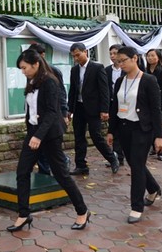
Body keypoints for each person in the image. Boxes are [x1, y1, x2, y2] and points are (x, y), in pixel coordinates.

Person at [10, 49, 90, 232]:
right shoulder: (31, 80)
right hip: (34, 132)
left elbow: (52, 113)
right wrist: (32, 133)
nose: (22, 71)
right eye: (21, 69)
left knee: (61, 174)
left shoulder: (50, 82)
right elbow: (32, 110)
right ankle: (23, 214)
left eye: (24, 68)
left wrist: (39, 136)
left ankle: (82, 211)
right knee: (22, 172)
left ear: (36, 64)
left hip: (50, 134)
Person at [106, 47, 162, 223]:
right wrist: (111, 130)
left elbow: (156, 110)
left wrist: (159, 136)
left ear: (134, 58)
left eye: (123, 60)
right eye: (118, 61)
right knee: (134, 163)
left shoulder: (149, 80)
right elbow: (115, 107)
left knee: (137, 166)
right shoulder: (120, 81)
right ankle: (154, 188)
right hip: (124, 128)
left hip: (142, 129)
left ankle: (136, 207)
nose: (120, 64)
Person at [67, 42, 119, 175]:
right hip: (78, 107)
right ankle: (81, 165)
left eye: (78, 55)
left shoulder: (97, 67)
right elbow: (73, 90)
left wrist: (104, 109)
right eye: (73, 56)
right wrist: (69, 109)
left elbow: (104, 90)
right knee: (78, 136)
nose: (76, 58)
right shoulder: (74, 70)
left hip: (93, 108)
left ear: (86, 52)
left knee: (96, 136)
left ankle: (112, 158)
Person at [27, 43, 70, 176]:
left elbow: (61, 94)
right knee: (40, 148)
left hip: (51, 117)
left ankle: (62, 163)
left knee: (52, 149)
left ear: (42, 56)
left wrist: (64, 113)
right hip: (36, 119)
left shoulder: (53, 72)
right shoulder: (30, 73)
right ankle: (44, 172)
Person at [145, 48, 162, 161]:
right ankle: (153, 147)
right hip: (147, 102)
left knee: (161, 126)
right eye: (148, 56)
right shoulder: (145, 71)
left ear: (158, 57)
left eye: (152, 55)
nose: (150, 58)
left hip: (161, 102)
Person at [104, 44, 126, 166]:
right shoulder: (107, 70)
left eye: (115, 53)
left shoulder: (127, 70)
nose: (112, 56)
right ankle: (118, 156)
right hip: (112, 103)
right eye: (111, 53)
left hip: (125, 103)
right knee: (114, 129)